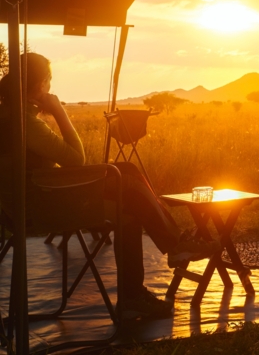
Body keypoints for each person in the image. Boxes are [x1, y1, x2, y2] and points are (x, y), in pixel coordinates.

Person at [0, 53, 219, 319]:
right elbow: (76, 160)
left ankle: (137, 292)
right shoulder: (26, 123)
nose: (50, 87)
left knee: (127, 201)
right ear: (37, 85)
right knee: (125, 178)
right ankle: (171, 249)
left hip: (31, 203)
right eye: (48, 80)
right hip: (43, 208)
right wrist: (59, 111)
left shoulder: (10, 115)